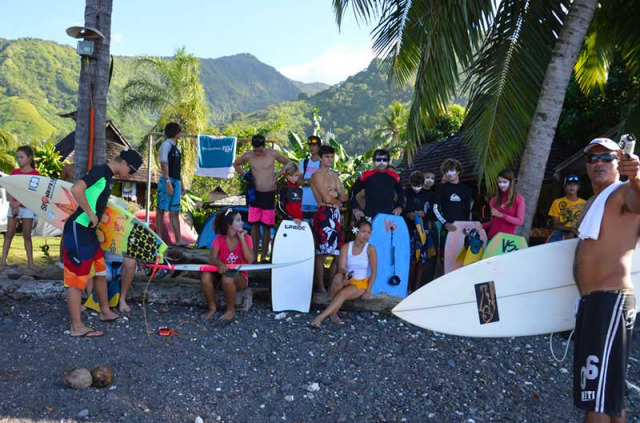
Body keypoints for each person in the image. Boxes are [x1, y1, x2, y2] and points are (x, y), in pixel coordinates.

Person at [573, 137, 638, 422]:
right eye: (592, 159)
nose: (598, 163)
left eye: (606, 158)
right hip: (593, 304)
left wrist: (636, 175)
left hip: (610, 301)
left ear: (618, 162)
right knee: (609, 398)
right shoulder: (592, 202)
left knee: (595, 398)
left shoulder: (625, 193)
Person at [63, 148, 143, 337]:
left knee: (100, 271)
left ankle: (105, 311)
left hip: (90, 233)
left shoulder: (107, 176)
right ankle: (76, 327)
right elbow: (76, 189)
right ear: (123, 163)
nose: (130, 176)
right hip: (79, 230)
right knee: (76, 280)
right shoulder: (100, 171)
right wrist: (90, 214)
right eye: (131, 171)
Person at [310, 219, 377, 328]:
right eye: (363, 231)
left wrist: (368, 290)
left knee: (342, 294)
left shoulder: (370, 249)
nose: (366, 235)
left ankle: (320, 318)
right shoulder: (346, 246)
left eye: (369, 232)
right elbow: (341, 267)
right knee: (337, 277)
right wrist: (346, 274)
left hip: (360, 283)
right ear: (356, 232)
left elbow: (374, 272)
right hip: (347, 276)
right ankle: (333, 312)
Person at [233, 134, 290, 262]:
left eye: (260, 150)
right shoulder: (249, 155)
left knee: (266, 226)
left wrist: (277, 176)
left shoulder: (273, 154)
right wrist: (246, 175)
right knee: (254, 226)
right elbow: (236, 164)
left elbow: (288, 163)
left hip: (269, 193)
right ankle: (253, 255)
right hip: (255, 194)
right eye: (255, 150)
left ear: (264, 146)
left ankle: (264, 256)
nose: (257, 153)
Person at [200, 208, 254, 322]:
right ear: (229, 224)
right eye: (238, 220)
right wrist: (219, 263)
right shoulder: (219, 239)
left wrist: (242, 239)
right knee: (205, 276)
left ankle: (230, 310)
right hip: (222, 275)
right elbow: (212, 258)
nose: (242, 223)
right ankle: (212, 307)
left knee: (228, 277)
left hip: (240, 278)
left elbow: (250, 260)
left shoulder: (247, 238)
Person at [309, 145, 347, 294]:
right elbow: (326, 198)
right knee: (322, 253)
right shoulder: (316, 175)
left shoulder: (335, 175)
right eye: (326, 157)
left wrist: (335, 196)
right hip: (324, 211)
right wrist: (336, 196)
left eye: (332, 156)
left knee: (337, 254)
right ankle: (320, 287)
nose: (330, 159)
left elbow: (345, 195)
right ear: (319, 158)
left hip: (336, 214)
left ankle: (331, 286)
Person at [0, 146, 41, 272]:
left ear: (29, 158)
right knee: (9, 234)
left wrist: (18, 204)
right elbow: (9, 191)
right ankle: (3, 262)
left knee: (27, 236)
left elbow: (33, 194)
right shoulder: (14, 173)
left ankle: (31, 263)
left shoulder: (35, 174)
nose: (19, 160)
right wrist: (13, 205)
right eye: (17, 157)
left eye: (21, 157)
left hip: (27, 208)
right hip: (13, 207)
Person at [350, 148, 404, 221]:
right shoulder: (366, 175)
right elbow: (352, 191)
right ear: (373, 161)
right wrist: (355, 208)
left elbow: (401, 192)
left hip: (388, 217)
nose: (381, 163)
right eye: (378, 160)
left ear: (388, 161)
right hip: (370, 216)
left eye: (384, 160)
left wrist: (399, 207)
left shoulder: (395, 176)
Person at [157, 122, 184, 246]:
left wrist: (181, 185)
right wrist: (168, 182)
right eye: (179, 131)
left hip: (176, 180)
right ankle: (159, 238)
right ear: (175, 132)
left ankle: (179, 240)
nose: (181, 134)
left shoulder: (177, 148)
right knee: (161, 210)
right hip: (167, 180)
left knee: (175, 211)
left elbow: (178, 168)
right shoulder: (165, 145)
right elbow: (163, 163)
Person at [404, 171, 432, 292]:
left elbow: (433, 212)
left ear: (423, 183)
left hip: (423, 232)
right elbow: (400, 208)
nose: (416, 188)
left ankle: (417, 288)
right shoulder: (405, 193)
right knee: (411, 261)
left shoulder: (428, 194)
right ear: (410, 184)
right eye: (414, 185)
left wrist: (424, 214)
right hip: (408, 231)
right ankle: (407, 287)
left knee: (422, 261)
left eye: (419, 185)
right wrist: (407, 214)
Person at [481, 169, 525, 240]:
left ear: (511, 182)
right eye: (499, 182)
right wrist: (481, 226)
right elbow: (493, 223)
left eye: (505, 182)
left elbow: (519, 221)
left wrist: (502, 215)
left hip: (506, 241)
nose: (502, 185)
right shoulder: (493, 200)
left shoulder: (519, 199)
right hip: (492, 239)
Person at [547, 174, 586, 242]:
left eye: (574, 184)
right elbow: (556, 225)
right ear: (564, 187)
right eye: (569, 184)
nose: (572, 187)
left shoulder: (585, 203)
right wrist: (571, 229)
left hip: (579, 232)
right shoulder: (557, 202)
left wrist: (574, 231)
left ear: (578, 187)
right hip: (561, 232)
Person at [301, 135, 322, 223]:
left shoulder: (323, 163)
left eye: (314, 145)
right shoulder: (303, 163)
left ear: (319, 147)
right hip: (304, 202)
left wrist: (307, 181)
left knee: (316, 229)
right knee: (305, 229)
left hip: (317, 202)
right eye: (310, 145)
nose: (311, 148)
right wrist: (312, 182)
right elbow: (299, 181)